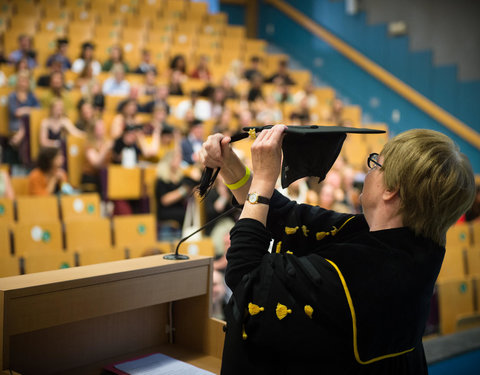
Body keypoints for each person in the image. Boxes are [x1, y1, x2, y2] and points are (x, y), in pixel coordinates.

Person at [199, 125, 475, 374]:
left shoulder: (356, 274)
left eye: (377, 165)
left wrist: (262, 183)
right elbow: (290, 217)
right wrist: (230, 165)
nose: (369, 171)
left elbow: (246, 275)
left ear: (392, 190)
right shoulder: (406, 244)